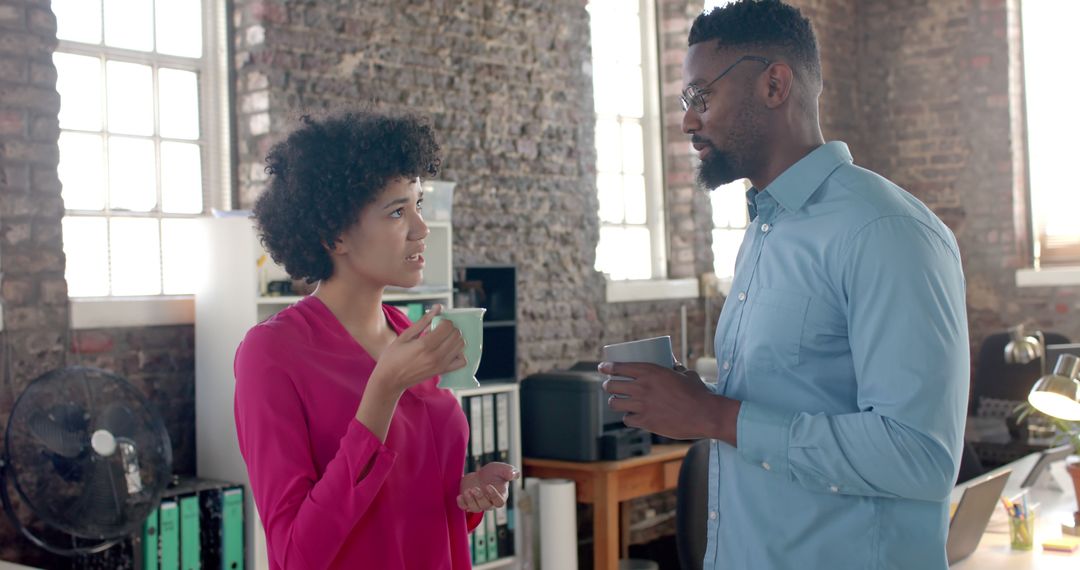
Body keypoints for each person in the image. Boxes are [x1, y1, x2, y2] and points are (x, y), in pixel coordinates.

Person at [601, 2, 969, 569]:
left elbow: (919, 456)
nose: (687, 121)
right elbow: (786, 402)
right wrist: (693, 399)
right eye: (684, 101)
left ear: (774, 84)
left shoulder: (885, 232)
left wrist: (716, 416)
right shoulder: (767, 228)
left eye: (702, 96)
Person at [234, 111, 518, 570]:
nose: (421, 228)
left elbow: (399, 503)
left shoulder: (411, 336)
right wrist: (382, 391)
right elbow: (295, 555)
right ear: (335, 235)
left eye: (419, 205)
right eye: (397, 211)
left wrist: (463, 493)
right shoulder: (270, 354)